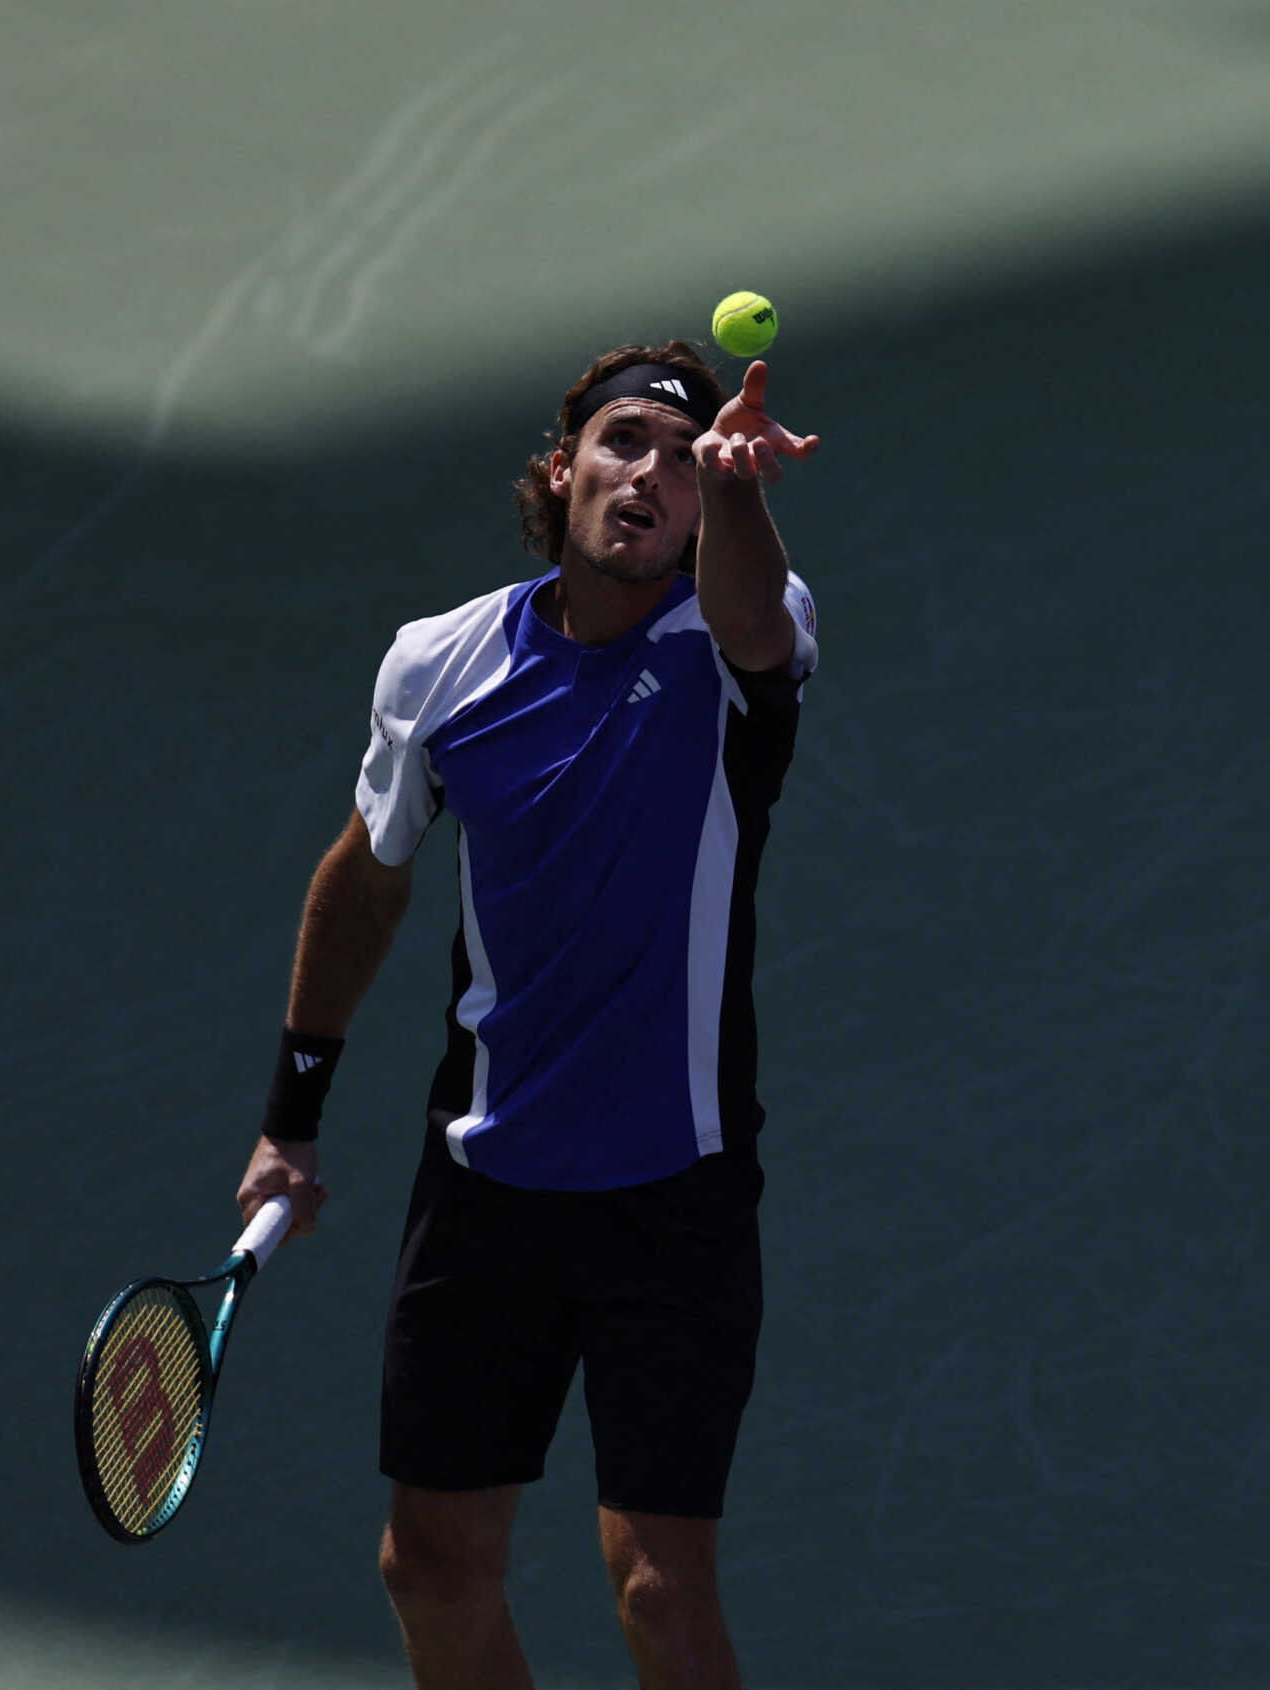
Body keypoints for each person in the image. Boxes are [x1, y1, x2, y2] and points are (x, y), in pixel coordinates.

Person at [232, 340, 822, 1690]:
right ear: (561, 472)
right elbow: (366, 879)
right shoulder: (438, 666)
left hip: (673, 1193)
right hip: (488, 1185)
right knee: (429, 1566)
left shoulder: (736, 645)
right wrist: (292, 1118)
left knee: (662, 1595)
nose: (652, 479)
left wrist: (740, 492)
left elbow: (752, 620)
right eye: (625, 445)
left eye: (683, 463)